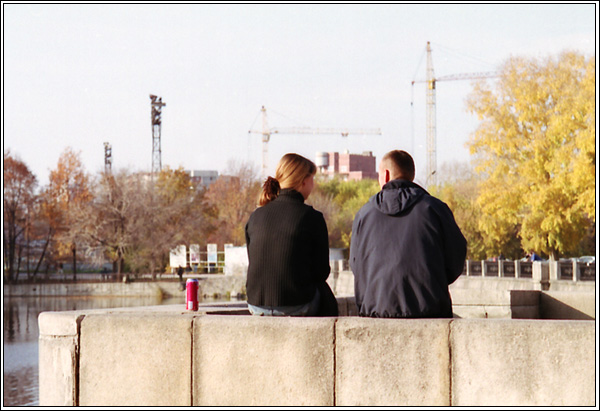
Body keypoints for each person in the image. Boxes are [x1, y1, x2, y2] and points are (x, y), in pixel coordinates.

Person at [350, 150, 467, 318]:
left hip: (375, 314)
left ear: (386, 175)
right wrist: (432, 281)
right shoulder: (435, 209)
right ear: (411, 175)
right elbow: (456, 258)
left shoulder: (364, 214)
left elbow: (356, 264)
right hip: (429, 314)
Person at [245, 153, 338, 317]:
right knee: (325, 293)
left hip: (256, 304)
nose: (313, 184)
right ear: (303, 180)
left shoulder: (255, 216)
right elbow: (322, 272)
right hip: (296, 305)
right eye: (312, 178)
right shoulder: (312, 217)